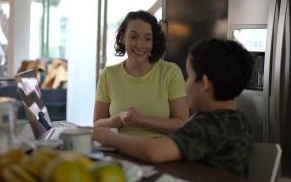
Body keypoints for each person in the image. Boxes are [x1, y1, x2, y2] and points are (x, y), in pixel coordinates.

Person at [93, 39, 253, 176]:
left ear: (204, 84)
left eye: (189, 76)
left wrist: (109, 138)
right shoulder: (236, 118)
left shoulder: (212, 124)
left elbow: (154, 152)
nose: (185, 84)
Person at [94, 10, 189, 137]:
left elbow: (182, 125)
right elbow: (97, 124)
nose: (140, 44)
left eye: (147, 38)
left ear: (153, 41)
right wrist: (118, 120)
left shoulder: (170, 72)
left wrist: (142, 120)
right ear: (122, 37)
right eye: (134, 37)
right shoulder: (108, 75)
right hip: (117, 150)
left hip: (159, 153)